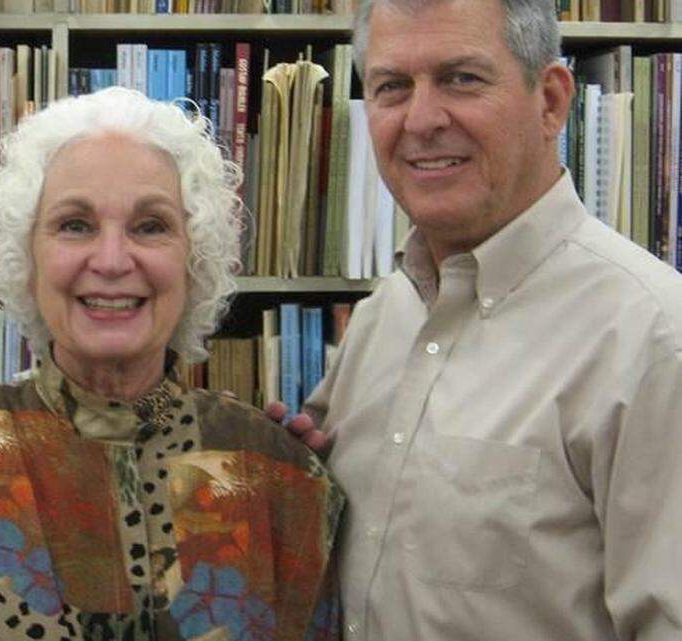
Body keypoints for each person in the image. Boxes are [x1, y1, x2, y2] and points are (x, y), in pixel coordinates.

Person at [0, 86, 345, 640]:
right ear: (29, 258)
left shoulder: (282, 475)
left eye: (151, 225)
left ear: (195, 258)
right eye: (75, 225)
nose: (112, 261)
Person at [287, 0, 682, 639]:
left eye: (461, 79)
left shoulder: (653, 340)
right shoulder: (381, 317)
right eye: (392, 87)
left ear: (551, 101)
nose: (420, 120)